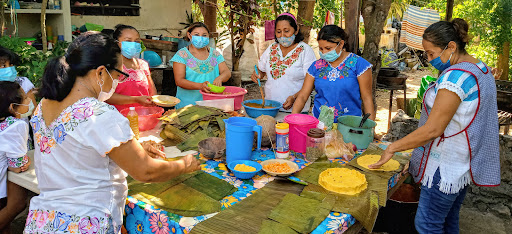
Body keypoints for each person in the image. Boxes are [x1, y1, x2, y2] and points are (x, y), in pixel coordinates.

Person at [24, 32, 200, 233]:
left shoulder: (43, 106)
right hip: (86, 223)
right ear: (100, 73)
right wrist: (184, 165)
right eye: (117, 76)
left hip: (45, 220)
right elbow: (146, 171)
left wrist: (135, 149)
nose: (117, 83)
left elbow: (76, 151)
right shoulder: (97, 113)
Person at [369, 18, 500, 234]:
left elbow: (433, 130)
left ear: (451, 47)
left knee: (427, 225)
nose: (429, 60)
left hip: (445, 166)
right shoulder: (479, 68)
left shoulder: (457, 77)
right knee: (448, 220)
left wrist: (392, 147)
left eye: (431, 54)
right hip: (462, 162)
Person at [291, 25, 375, 121]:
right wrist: (292, 118)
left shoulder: (359, 65)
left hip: (350, 124)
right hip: (320, 125)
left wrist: (370, 128)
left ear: (341, 44)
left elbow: (367, 98)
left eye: (328, 48)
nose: (324, 52)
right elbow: (302, 96)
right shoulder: (316, 67)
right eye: (321, 49)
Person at [250, 13, 316, 112]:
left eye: (286, 31)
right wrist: (257, 74)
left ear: (296, 30)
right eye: (278, 32)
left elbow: (311, 83)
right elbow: (261, 71)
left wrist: (294, 97)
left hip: (297, 111)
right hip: (270, 108)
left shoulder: (305, 51)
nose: (282, 36)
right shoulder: (272, 48)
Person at [171, 22, 231, 108]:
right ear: (189, 35)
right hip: (187, 106)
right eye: (196, 34)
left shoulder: (215, 54)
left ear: (208, 37)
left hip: (212, 105)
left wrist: (220, 78)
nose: (200, 38)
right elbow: (179, 81)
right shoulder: (181, 55)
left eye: (204, 35)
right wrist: (200, 86)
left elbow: (226, 72)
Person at [0, 81, 31, 233]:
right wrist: (26, 161)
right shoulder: (15, 126)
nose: (30, 101)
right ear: (13, 107)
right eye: (25, 98)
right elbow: (17, 167)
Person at [107, 24, 157, 111]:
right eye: (128, 41)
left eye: (137, 41)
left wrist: (154, 104)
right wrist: (135, 99)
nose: (133, 44)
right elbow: (107, 96)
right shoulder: (111, 66)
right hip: (118, 117)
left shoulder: (143, 65)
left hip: (144, 116)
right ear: (116, 43)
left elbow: (152, 90)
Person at [0, 46, 37, 149]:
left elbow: (35, 115)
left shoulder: (23, 83)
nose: (9, 68)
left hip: (22, 142)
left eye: (11, 65)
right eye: (3, 65)